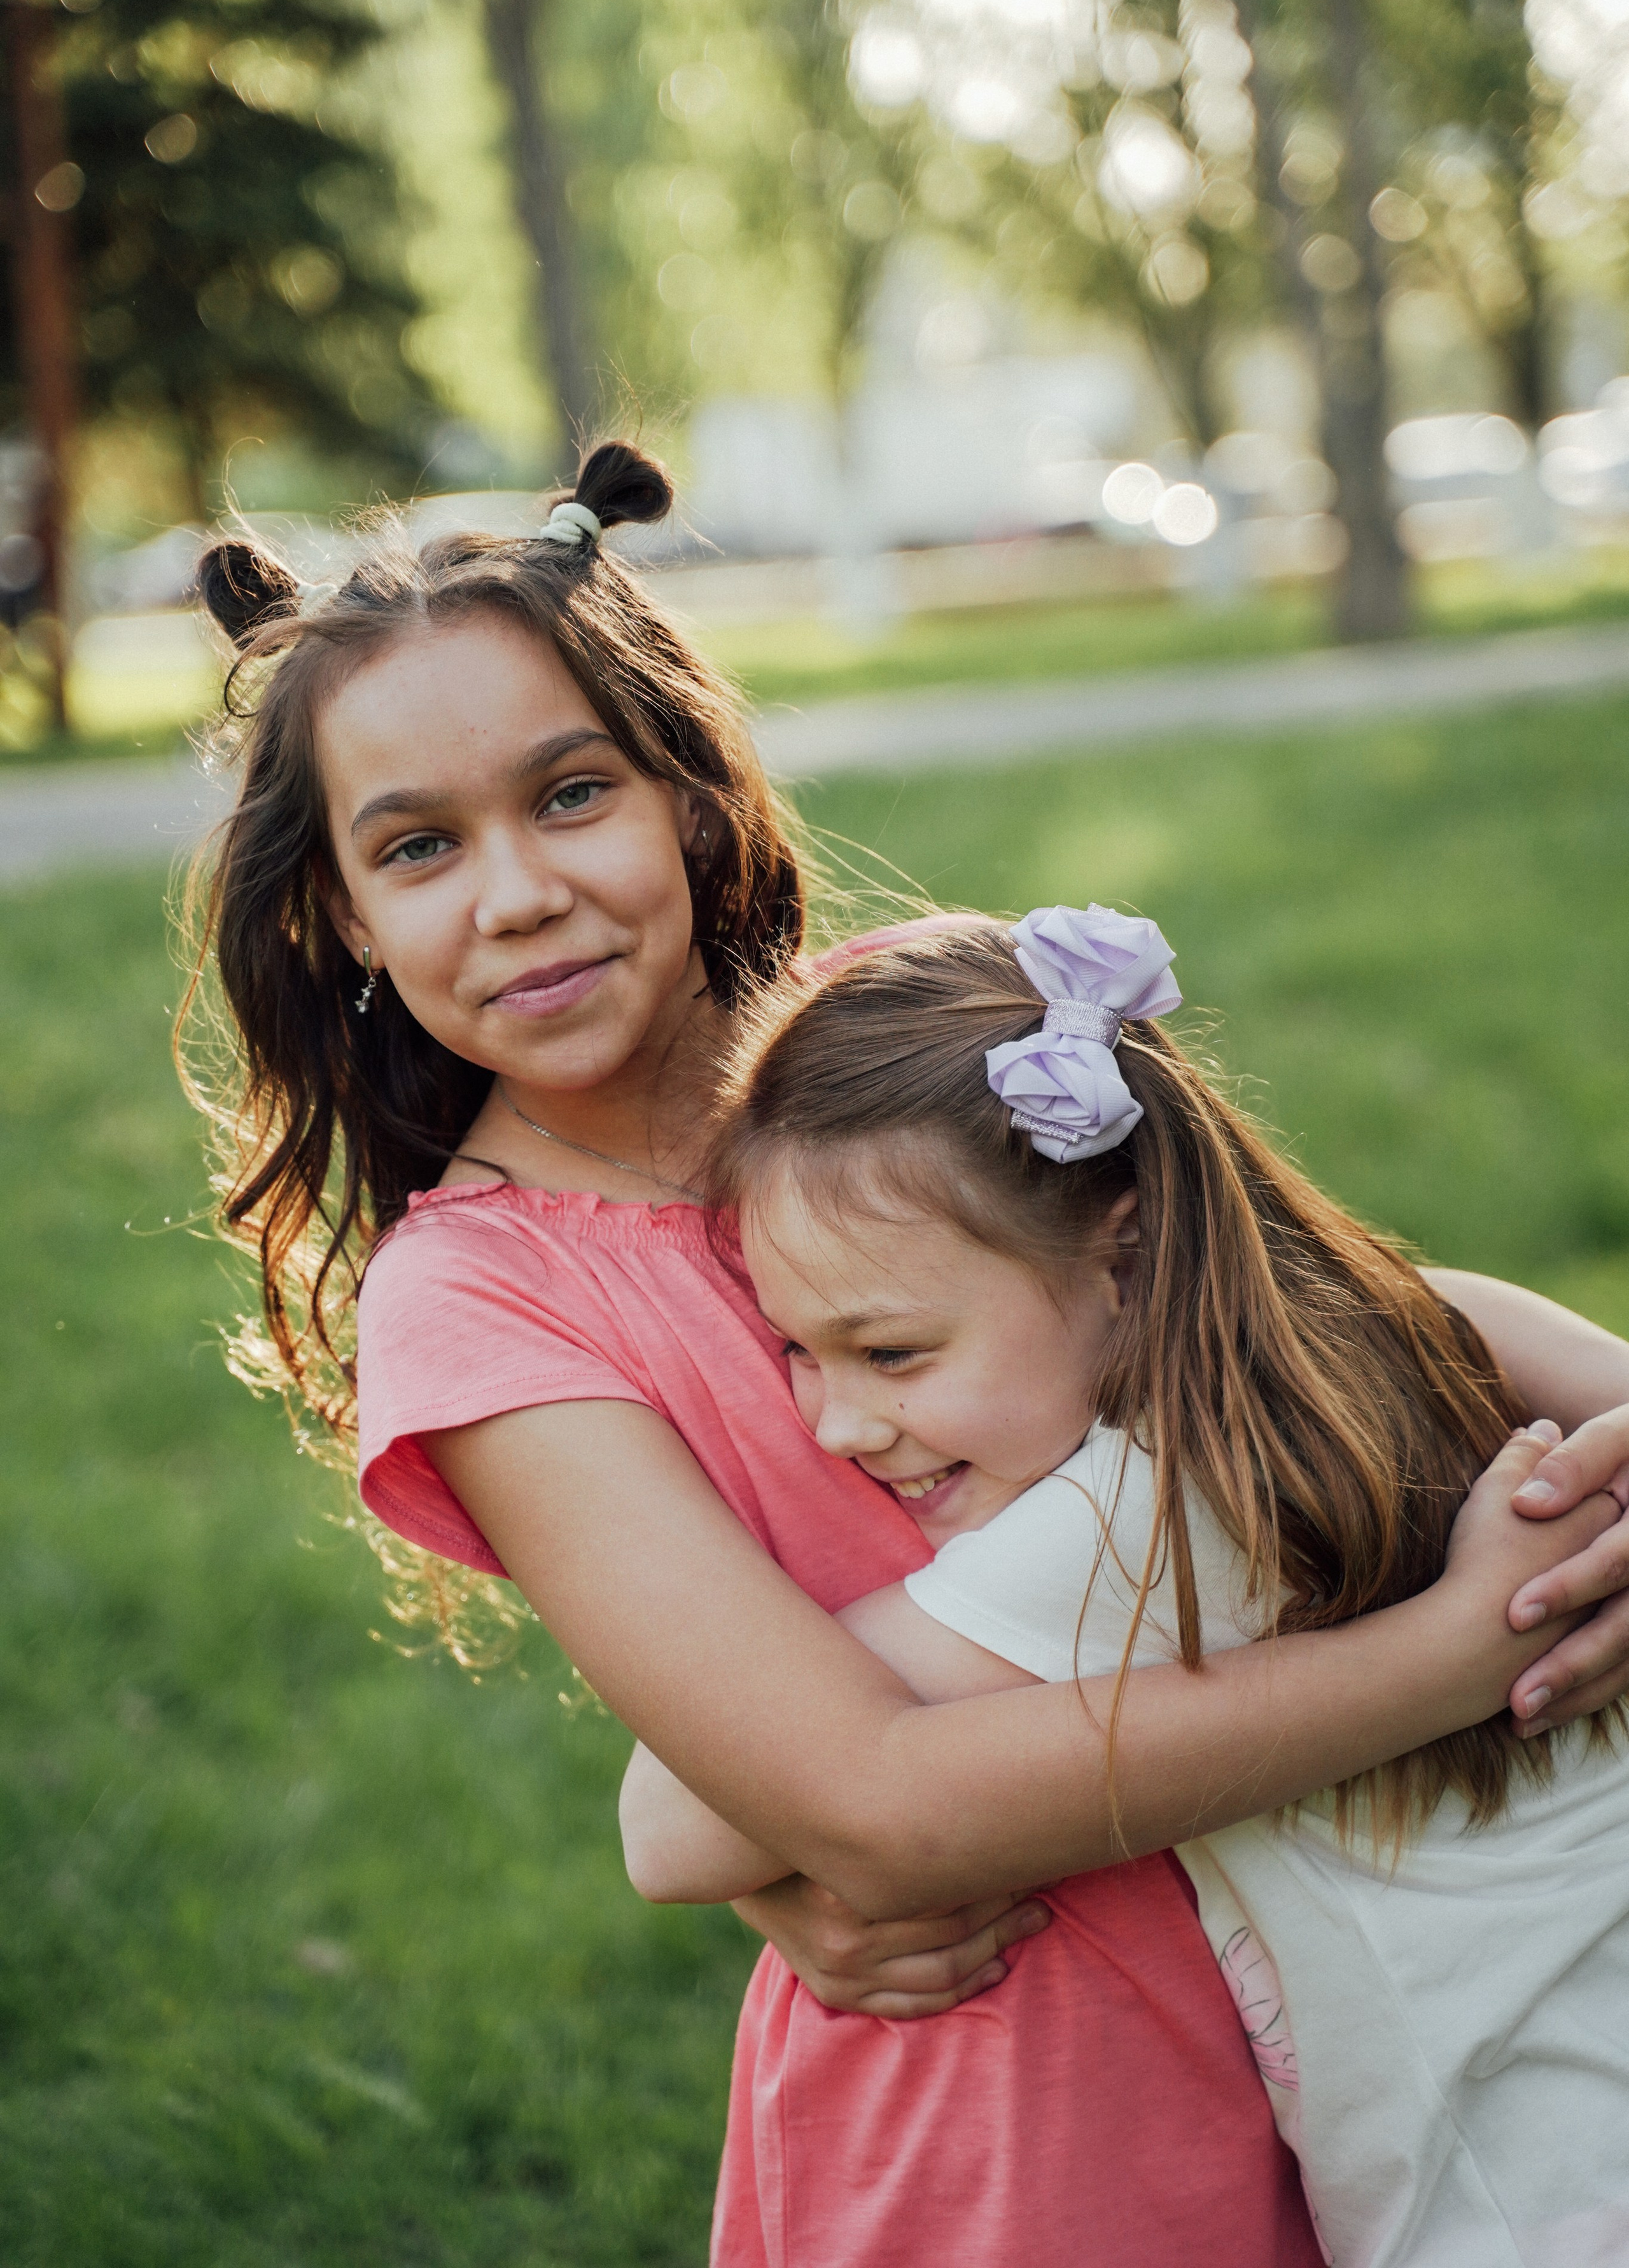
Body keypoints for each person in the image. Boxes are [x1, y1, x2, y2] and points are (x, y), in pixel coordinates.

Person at [178, 439, 1629, 2268]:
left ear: (693, 797)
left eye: (571, 794)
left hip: (1363, 2019)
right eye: (418, 846)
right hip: (1005, 2103)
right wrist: (1462, 1649)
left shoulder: (909, 1082)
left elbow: (1291, 1324)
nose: (519, 890)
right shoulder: (481, 1301)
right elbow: (850, 1791)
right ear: (339, 917)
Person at [622, 906, 1629, 2265]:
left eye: (892, 1353)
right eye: (797, 1352)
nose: (836, 1424)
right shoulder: (1413, 1329)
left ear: (1126, 1254)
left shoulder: (1144, 1513)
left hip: (1528, 2201)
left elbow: (672, 1824)